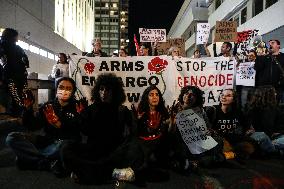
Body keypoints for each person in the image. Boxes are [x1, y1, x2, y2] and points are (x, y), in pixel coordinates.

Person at [61, 73, 143, 184]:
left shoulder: (122, 110)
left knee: (136, 149)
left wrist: (137, 120)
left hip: (115, 153)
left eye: (108, 90)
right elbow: (84, 131)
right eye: (102, 89)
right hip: (93, 152)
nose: (104, 93)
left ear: (115, 92)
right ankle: (112, 174)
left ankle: (89, 174)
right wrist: (80, 118)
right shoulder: (90, 110)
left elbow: (133, 134)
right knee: (66, 148)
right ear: (97, 90)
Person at [6, 77, 82, 176]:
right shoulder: (48, 106)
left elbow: (80, 129)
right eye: (61, 87)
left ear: (73, 91)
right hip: (47, 142)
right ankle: (48, 163)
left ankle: (31, 159)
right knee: (12, 137)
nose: (64, 91)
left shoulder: (78, 107)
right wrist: (28, 109)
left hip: (65, 144)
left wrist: (60, 125)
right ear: (57, 89)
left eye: (68, 89)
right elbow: (33, 126)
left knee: (66, 146)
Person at [172, 86, 224, 172]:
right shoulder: (175, 109)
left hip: (198, 142)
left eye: (192, 95)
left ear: (196, 99)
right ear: (182, 95)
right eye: (186, 93)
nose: (188, 96)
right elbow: (171, 131)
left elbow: (207, 128)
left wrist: (209, 131)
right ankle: (199, 160)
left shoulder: (201, 111)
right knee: (180, 148)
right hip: (183, 143)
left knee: (219, 141)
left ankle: (195, 161)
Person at [211, 89, 256, 160]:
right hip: (222, 142)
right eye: (222, 95)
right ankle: (232, 155)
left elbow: (247, 125)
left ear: (234, 99)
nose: (224, 97)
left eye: (228, 96)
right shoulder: (213, 111)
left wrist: (250, 130)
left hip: (235, 141)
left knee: (251, 147)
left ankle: (231, 155)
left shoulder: (238, 112)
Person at [135, 85, 170, 169]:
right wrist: (138, 121)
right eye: (151, 95)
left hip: (158, 144)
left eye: (157, 94)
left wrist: (172, 121)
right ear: (146, 97)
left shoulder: (163, 112)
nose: (155, 97)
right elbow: (136, 133)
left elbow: (167, 133)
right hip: (143, 144)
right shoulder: (141, 112)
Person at [245, 86, 284, 157]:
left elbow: (278, 126)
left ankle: (270, 150)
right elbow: (250, 127)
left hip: (272, 138)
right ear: (268, 95)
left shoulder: (275, 109)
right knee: (262, 136)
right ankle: (276, 152)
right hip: (259, 137)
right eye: (274, 93)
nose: (276, 94)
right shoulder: (252, 109)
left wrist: (277, 132)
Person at [0, 28, 29, 116]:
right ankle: (18, 114)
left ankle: (12, 114)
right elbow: (26, 62)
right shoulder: (17, 48)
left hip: (9, 77)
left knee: (12, 97)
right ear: (12, 36)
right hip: (16, 77)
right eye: (16, 36)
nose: (17, 38)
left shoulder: (3, 45)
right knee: (17, 97)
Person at [254, 39, 284, 104]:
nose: (270, 45)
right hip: (263, 89)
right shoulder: (264, 57)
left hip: (278, 89)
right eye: (269, 44)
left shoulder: (283, 57)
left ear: (278, 45)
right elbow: (257, 68)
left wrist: (281, 82)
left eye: (272, 43)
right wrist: (259, 56)